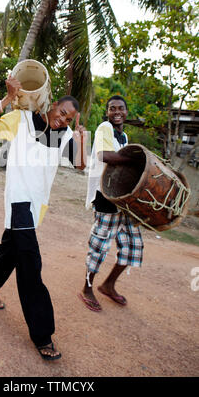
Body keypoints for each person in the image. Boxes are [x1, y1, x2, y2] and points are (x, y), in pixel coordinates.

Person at [0, 73, 87, 360]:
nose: (62, 119)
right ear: (52, 105)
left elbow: (79, 165)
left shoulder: (63, 136)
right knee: (30, 265)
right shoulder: (22, 120)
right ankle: (42, 335)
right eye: (61, 112)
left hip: (36, 207)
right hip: (18, 201)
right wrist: (8, 99)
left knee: (9, 251)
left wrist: (81, 139)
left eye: (68, 117)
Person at [79, 95, 143, 312]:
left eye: (121, 108)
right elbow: (104, 155)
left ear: (126, 111)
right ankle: (87, 288)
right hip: (105, 196)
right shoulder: (104, 128)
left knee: (133, 247)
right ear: (107, 112)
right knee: (99, 246)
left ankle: (108, 285)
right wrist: (135, 160)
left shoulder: (124, 136)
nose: (117, 112)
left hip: (123, 199)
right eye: (112, 108)